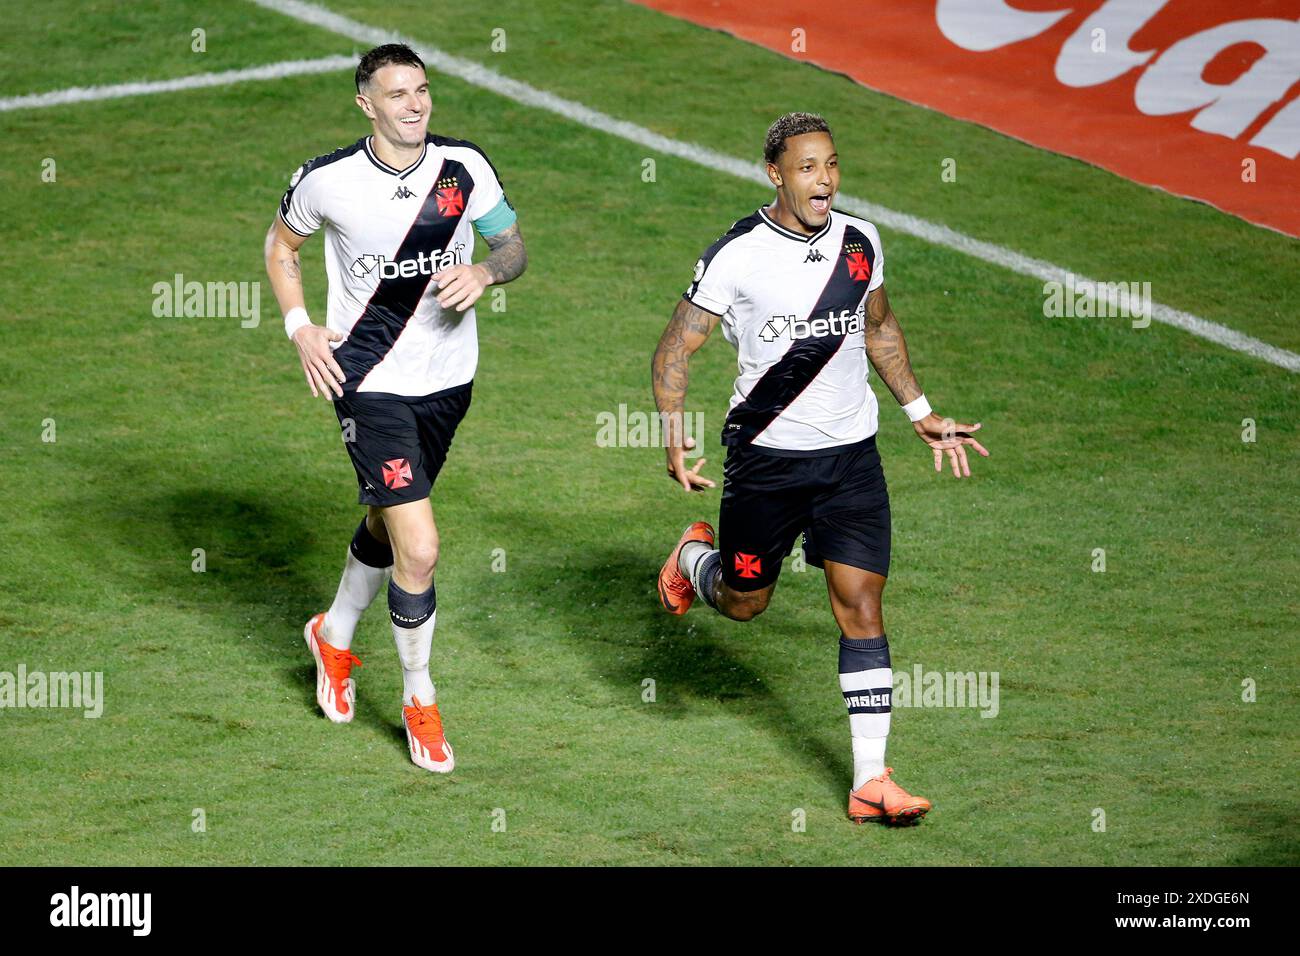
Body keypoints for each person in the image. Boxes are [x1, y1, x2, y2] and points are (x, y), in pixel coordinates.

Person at [652, 112, 987, 823]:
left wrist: (918, 409)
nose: (825, 180)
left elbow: (879, 325)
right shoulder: (738, 255)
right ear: (775, 174)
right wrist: (674, 435)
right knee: (747, 603)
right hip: (767, 463)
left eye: (831, 165)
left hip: (850, 460)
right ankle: (694, 556)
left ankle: (871, 780)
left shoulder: (860, 242)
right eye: (808, 168)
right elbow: (676, 350)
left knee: (862, 607)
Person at [263, 43, 527, 773]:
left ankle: (334, 634)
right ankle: (420, 697)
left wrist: (485, 268)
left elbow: (512, 246)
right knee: (421, 545)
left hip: (449, 380)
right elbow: (280, 248)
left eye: (422, 90)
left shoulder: (464, 169)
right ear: (367, 104)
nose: (415, 105)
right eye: (398, 94)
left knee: (389, 513)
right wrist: (300, 326)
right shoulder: (329, 181)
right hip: (367, 379)